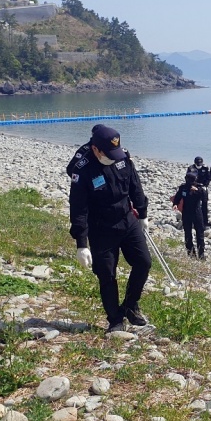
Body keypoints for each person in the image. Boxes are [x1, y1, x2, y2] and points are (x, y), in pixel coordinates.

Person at [69, 124, 152, 334]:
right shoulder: (83, 169)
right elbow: (79, 208)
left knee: (143, 262)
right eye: (108, 154)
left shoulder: (121, 158)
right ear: (96, 149)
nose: (113, 158)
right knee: (107, 274)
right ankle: (115, 319)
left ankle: (131, 305)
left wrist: (142, 214)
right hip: (101, 227)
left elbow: (135, 186)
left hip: (126, 219)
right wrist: (81, 243)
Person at [173, 171, 208, 259]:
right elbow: (177, 197)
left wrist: (198, 191)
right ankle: (191, 254)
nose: (190, 181)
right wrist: (175, 204)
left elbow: (204, 199)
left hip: (197, 213)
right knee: (187, 234)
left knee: (200, 234)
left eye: (192, 179)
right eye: (188, 179)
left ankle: (201, 254)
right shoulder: (183, 188)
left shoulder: (199, 187)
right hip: (186, 212)